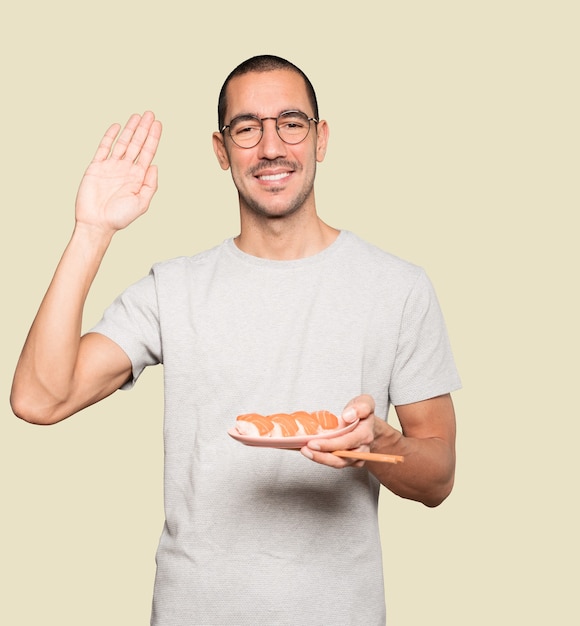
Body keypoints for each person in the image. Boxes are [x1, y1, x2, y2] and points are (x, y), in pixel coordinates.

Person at [11, 55, 461, 625]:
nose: (271, 146)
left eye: (290, 123)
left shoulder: (397, 288)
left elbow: (439, 475)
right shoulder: (172, 290)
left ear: (320, 139)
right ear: (221, 151)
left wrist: (378, 443)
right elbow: (38, 398)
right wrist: (92, 231)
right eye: (246, 128)